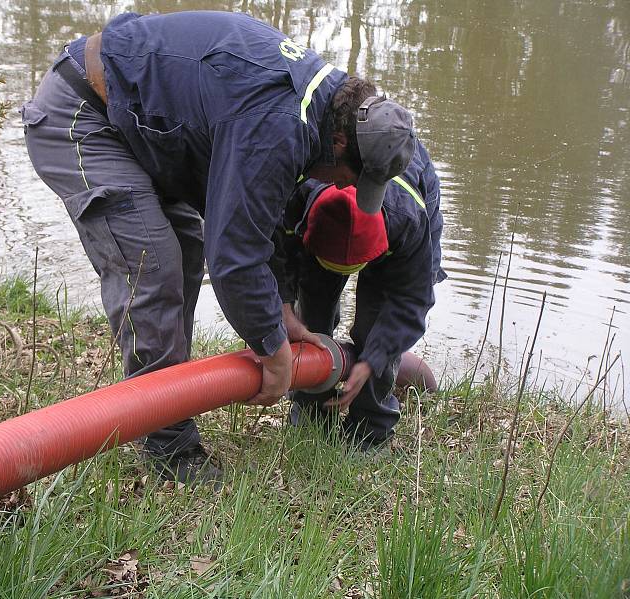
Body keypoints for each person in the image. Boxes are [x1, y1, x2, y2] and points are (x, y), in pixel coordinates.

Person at [21, 10, 417, 483]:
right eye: (350, 176)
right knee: (153, 267)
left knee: (186, 249)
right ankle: (168, 444)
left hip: (145, 125)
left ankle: (164, 407)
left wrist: (281, 311)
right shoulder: (279, 124)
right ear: (338, 141)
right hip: (83, 113)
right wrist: (272, 349)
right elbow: (234, 259)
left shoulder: (316, 104)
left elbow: (255, 222)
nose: (341, 185)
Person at [271, 137, 445, 452]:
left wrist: (371, 361)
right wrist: (282, 310)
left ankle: (371, 431)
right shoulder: (295, 195)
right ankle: (311, 413)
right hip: (320, 231)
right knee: (311, 319)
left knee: (375, 326)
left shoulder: (408, 221)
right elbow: (279, 260)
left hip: (397, 223)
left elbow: (410, 301)